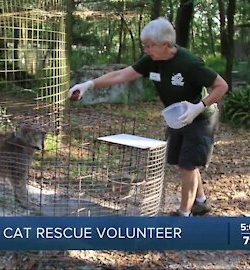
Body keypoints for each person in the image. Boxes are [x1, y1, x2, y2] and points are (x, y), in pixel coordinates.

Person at [68, 17, 228, 217]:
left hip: (201, 118)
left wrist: (199, 106)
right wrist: (88, 85)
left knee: (187, 166)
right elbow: (121, 75)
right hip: (177, 117)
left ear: (166, 45)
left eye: (150, 46)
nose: (146, 50)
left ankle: (184, 214)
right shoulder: (152, 61)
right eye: (145, 45)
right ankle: (201, 202)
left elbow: (222, 86)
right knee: (184, 162)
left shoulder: (190, 63)